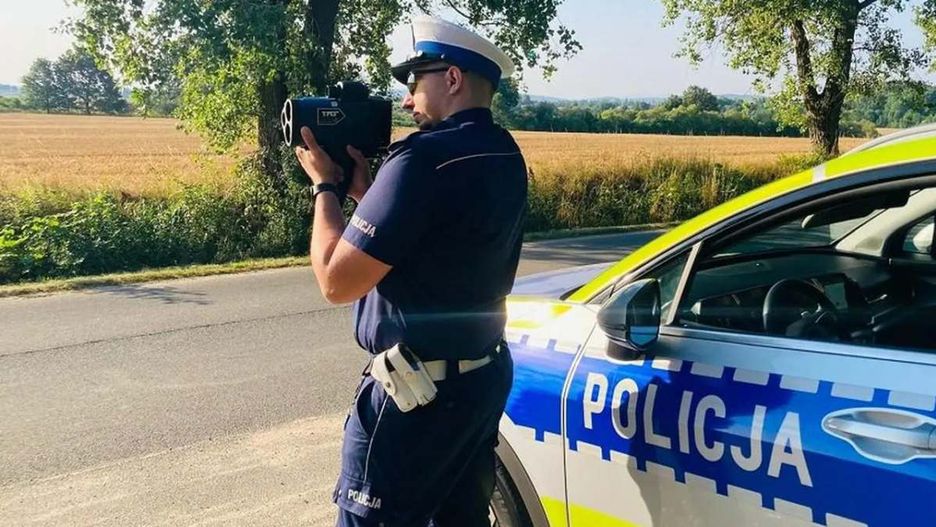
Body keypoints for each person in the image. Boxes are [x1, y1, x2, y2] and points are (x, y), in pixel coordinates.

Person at [294, 15, 527, 527]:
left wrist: (325, 188)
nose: (406, 101)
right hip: (479, 383)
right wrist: (369, 196)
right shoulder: (503, 152)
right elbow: (444, 241)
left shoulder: (421, 159)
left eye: (415, 82)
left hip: (414, 400)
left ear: (452, 78)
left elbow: (336, 281)